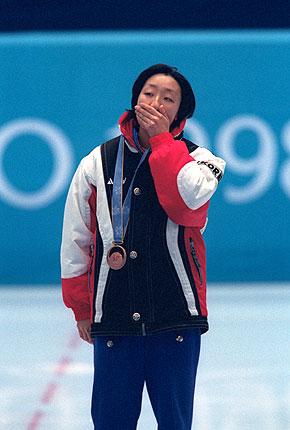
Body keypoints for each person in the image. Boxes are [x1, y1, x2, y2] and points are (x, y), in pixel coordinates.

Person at [60, 63, 226, 430]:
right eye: (149, 93)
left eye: (169, 99)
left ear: (181, 114)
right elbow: (77, 236)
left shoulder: (202, 162)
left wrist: (162, 142)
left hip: (176, 315)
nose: (156, 102)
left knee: (175, 422)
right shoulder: (96, 162)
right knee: (110, 421)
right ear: (134, 100)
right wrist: (81, 306)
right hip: (114, 315)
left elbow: (184, 206)